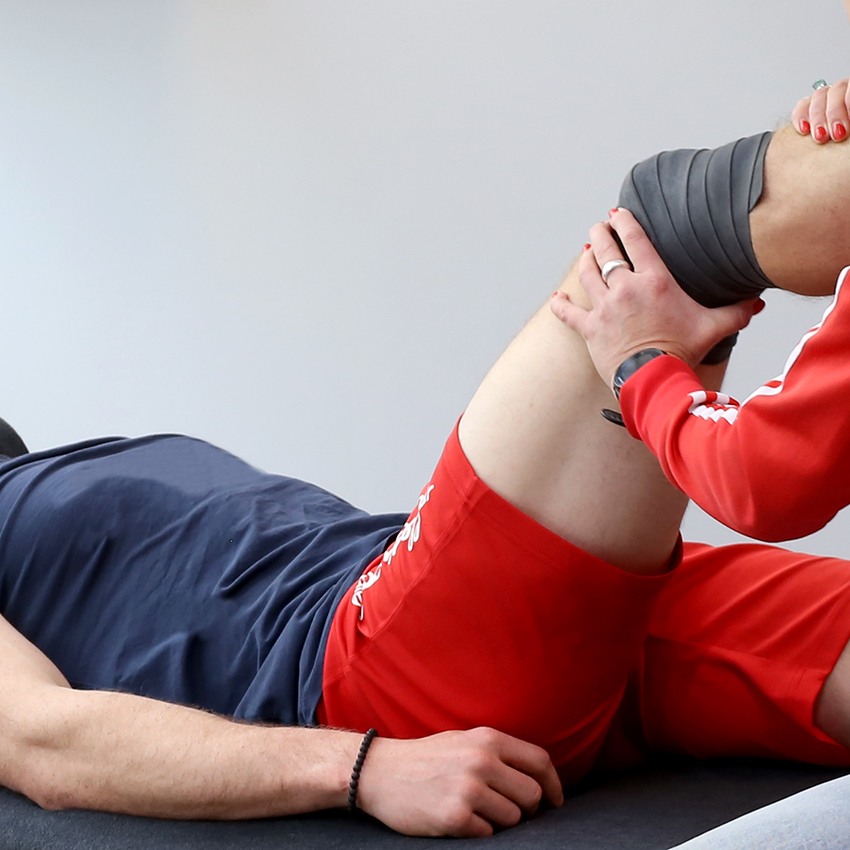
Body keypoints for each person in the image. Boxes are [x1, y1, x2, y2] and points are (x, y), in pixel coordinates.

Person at [5, 102, 850, 843]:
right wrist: (361, 768)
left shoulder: (41, 463)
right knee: (663, 242)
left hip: (480, 607)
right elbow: (42, 742)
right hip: (382, 672)